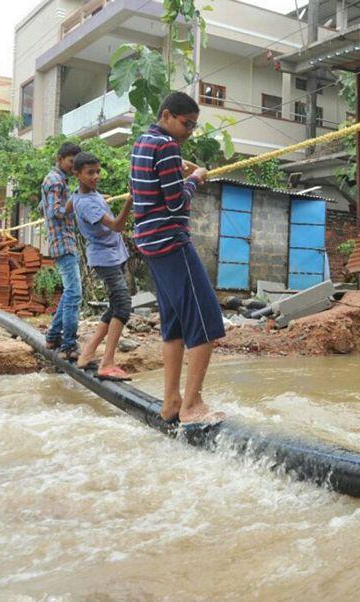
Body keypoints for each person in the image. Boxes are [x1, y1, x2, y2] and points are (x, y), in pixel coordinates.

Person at [129, 92, 225, 424]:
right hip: (171, 241)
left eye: (193, 127)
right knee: (207, 320)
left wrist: (182, 171)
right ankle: (192, 405)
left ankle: (171, 402)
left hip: (150, 243)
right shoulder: (167, 146)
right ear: (167, 115)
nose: (188, 132)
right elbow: (176, 203)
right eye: (186, 124)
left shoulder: (142, 142)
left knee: (174, 324)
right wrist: (195, 179)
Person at [71, 152, 135, 381]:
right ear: (76, 174)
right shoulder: (87, 204)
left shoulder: (82, 196)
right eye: (90, 173)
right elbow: (117, 226)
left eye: (98, 171)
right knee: (124, 307)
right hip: (105, 258)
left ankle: (87, 353)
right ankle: (107, 362)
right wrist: (130, 201)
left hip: (111, 255)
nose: (96, 176)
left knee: (115, 305)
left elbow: (72, 203)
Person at [40, 142, 83, 360]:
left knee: (69, 293)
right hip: (62, 243)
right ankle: (69, 345)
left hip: (63, 241)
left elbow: (43, 208)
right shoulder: (56, 180)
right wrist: (78, 199)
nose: (73, 166)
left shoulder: (56, 180)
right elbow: (56, 211)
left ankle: (53, 336)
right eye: (71, 162)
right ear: (60, 159)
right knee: (75, 294)